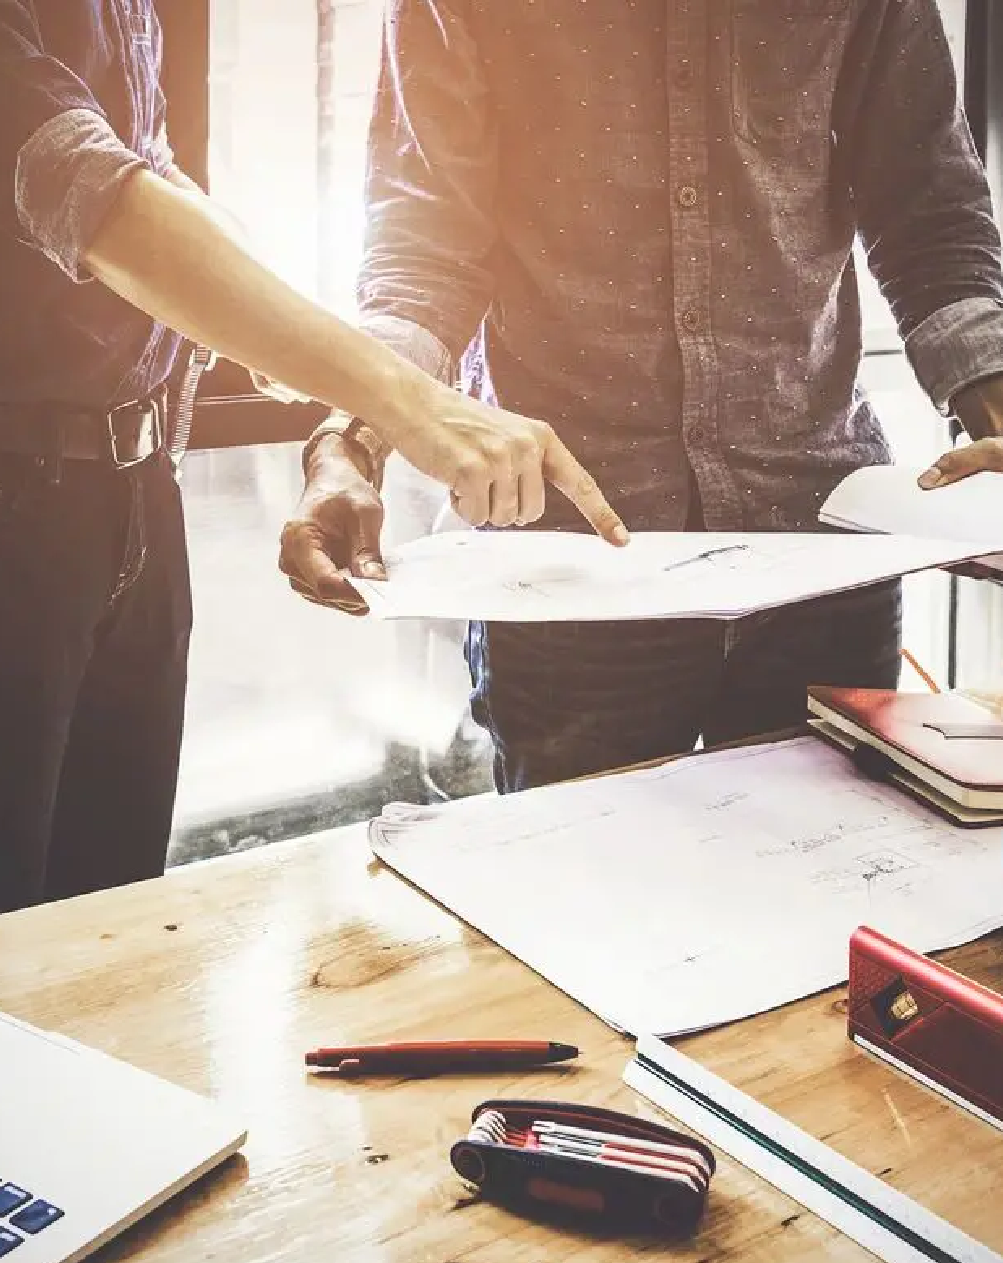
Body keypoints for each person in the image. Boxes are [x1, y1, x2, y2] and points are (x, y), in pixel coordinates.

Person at [0, 1, 626, 944]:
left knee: (114, 954)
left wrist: (347, 417)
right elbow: (92, 192)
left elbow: (157, 176)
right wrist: (415, 403)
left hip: (133, 491)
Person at [281, 0, 1003, 793]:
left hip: (823, 540)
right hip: (568, 569)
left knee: (844, 889)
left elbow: (931, 221)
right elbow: (424, 254)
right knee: (568, 903)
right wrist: (352, 437)